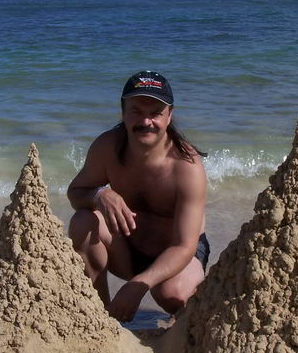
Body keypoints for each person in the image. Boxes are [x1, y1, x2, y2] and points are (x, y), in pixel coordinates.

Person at [67, 71, 209, 323]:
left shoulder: (187, 166)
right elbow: (76, 193)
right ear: (123, 112)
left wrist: (139, 284)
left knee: (174, 295)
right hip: (128, 251)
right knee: (82, 222)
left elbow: (184, 246)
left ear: (169, 115)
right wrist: (100, 194)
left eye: (155, 113)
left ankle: (181, 330)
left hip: (175, 255)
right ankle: (99, 318)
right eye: (136, 111)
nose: (146, 121)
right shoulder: (108, 147)